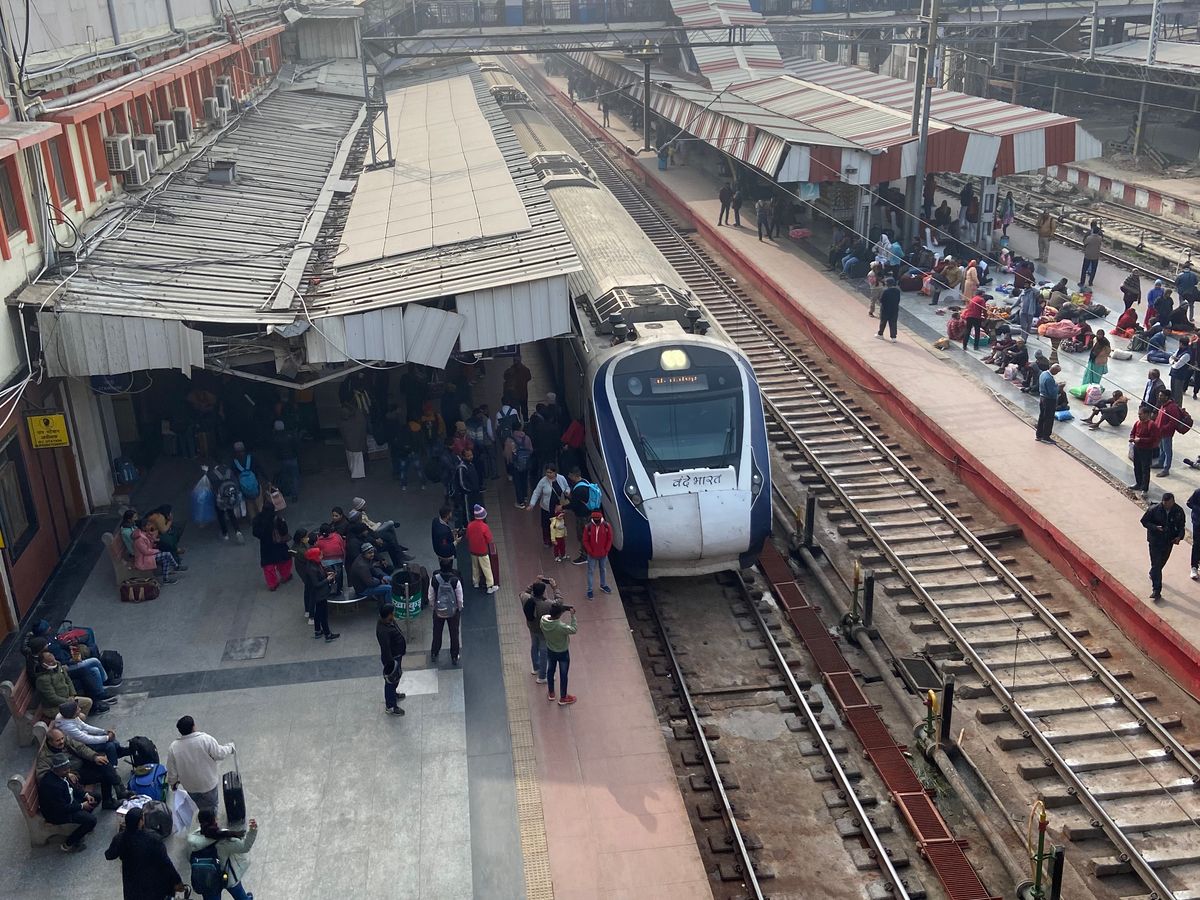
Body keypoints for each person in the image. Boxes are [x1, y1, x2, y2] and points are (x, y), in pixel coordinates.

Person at [37, 726, 127, 809]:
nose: (61, 742)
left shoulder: (66, 740)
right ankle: (112, 798)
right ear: (50, 742)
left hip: (83, 764)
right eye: (58, 741)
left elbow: (81, 748)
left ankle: (119, 790)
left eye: (62, 738)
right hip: (75, 775)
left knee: (103, 762)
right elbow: (43, 776)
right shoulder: (44, 757)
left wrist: (94, 757)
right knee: (104, 775)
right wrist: (65, 774)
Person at [105, 806, 183, 900]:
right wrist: (177, 881)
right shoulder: (153, 838)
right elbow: (165, 863)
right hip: (152, 885)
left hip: (131, 886)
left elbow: (109, 855)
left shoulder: (120, 838)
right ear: (140, 822)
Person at [165, 715, 235, 814]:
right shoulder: (205, 739)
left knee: (200, 807)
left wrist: (173, 783)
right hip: (208, 784)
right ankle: (212, 820)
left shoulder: (173, 747)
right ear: (193, 726)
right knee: (212, 806)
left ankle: (204, 818)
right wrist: (230, 748)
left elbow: (171, 770)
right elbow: (219, 754)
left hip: (190, 787)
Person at [187, 811, 259, 900]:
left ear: (199, 821)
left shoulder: (193, 840)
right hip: (228, 876)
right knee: (239, 895)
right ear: (215, 819)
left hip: (209, 879)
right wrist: (253, 831)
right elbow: (245, 847)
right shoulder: (223, 839)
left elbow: (189, 857)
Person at [38, 752, 98, 852]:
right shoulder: (53, 786)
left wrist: (86, 795)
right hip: (57, 814)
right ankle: (68, 844)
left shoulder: (60, 776)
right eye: (65, 770)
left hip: (67, 801)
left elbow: (71, 789)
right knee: (92, 820)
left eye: (68, 768)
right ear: (55, 770)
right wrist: (81, 806)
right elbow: (62, 809)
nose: (68, 771)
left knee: (96, 797)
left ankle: (83, 825)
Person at [54, 700, 129, 764]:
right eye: (77, 709)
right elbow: (86, 739)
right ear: (72, 713)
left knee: (114, 742)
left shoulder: (70, 717)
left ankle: (118, 753)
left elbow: (85, 726)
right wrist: (107, 738)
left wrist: (104, 731)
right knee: (110, 745)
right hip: (81, 744)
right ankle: (113, 765)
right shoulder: (68, 727)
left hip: (84, 737)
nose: (80, 709)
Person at [1142, 493, 1186, 602]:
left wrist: (1179, 537)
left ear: (1173, 501)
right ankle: (1156, 590)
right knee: (1156, 564)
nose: (1167, 505)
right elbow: (1144, 521)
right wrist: (1155, 527)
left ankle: (1153, 573)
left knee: (1161, 562)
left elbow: (1181, 526)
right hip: (1155, 541)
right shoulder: (1154, 509)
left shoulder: (1178, 511)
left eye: (1169, 503)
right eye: (1165, 503)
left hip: (1168, 541)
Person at [35, 650, 100, 717]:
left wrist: (72, 694)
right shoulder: (42, 679)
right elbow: (52, 698)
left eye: (53, 659)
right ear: (44, 665)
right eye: (50, 662)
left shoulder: (58, 666)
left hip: (68, 698)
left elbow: (68, 680)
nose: (54, 663)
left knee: (88, 702)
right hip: (54, 707)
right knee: (81, 716)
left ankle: (77, 721)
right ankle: (76, 720)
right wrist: (67, 701)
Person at [541, 602, 578, 706]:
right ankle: (563, 697)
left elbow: (550, 615)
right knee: (563, 674)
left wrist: (562, 608)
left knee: (550, 671)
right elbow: (574, 629)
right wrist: (573, 616)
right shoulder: (561, 627)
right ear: (559, 615)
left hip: (550, 649)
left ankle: (551, 693)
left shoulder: (543, 620)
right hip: (562, 652)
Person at [521, 578, 557, 683]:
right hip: (542, 631)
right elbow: (559, 603)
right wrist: (555, 588)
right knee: (544, 651)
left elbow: (524, 592)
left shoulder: (525, 598)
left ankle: (535, 667)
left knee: (534, 646)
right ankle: (542, 676)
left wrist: (534, 583)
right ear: (543, 592)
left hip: (532, 628)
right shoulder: (547, 604)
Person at [430, 557, 464, 665]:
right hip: (453, 612)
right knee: (454, 634)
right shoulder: (455, 580)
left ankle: (434, 652)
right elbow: (460, 598)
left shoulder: (434, 579)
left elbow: (431, 596)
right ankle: (454, 656)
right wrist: (459, 608)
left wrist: (434, 607)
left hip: (438, 610)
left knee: (437, 632)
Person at [301, 548, 339, 642]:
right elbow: (316, 584)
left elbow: (319, 575)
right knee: (323, 614)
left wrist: (326, 574)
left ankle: (317, 630)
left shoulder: (314, 564)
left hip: (319, 594)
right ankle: (327, 634)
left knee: (318, 612)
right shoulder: (312, 569)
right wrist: (327, 579)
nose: (322, 556)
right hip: (319, 595)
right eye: (320, 554)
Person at [376, 604, 408, 716]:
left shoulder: (389, 622)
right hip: (392, 659)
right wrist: (391, 664)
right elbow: (385, 648)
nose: (394, 614)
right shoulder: (383, 631)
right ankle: (390, 706)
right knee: (390, 681)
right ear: (388, 615)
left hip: (397, 655)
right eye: (392, 612)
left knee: (396, 679)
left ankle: (393, 695)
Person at [529, 463, 570, 547]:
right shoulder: (543, 481)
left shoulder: (561, 478)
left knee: (558, 524)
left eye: (550, 472)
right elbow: (536, 492)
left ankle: (556, 539)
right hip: (546, 507)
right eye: (547, 472)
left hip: (558, 507)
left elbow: (567, 487)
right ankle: (547, 540)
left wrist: (567, 492)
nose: (548, 474)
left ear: (555, 472)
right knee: (545, 525)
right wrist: (532, 504)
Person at [251, 507, 291, 591]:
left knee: (268, 566)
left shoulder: (258, 519)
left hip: (265, 546)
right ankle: (285, 576)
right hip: (278, 544)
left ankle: (272, 584)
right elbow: (284, 531)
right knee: (284, 560)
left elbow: (255, 532)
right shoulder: (277, 518)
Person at [207, 462, 245, 543]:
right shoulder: (228, 471)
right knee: (231, 514)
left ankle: (225, 534)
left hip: (219, 498)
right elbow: (236, 483)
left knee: (221, 516)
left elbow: (210, 486)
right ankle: (238, 532)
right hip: (229, 498)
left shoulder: (212, 473)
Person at [465, 505, 499, 594]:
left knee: (475, 567)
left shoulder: (470, 525)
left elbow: (467, 536)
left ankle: (476, 582)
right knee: (486, 568)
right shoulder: (484, 527)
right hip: (482, 551)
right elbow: (489, 539)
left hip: (473, 550)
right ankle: (490, 586)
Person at [1129, 404, 1161, 494]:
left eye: (1141, 414)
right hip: (1137, 448)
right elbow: (1132, 432)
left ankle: (1144, 488)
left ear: (1147, 414)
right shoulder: (1137, 423)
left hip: (1146, 450)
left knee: (1145, 469)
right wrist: (1132, 438)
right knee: (1137, 467)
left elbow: (1153, 439)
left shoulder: (1152, 425)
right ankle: (1138, 483)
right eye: (1138, 414)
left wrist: (1140, 440)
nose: (1139, 416)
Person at [582, 510, 613, 600]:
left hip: (602, 554)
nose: (596, 520)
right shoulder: (588, 527)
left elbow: (610, 538)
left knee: (601, 570)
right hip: (593, 554)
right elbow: (585, 540)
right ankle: (590, 589)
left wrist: (606, 549)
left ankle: (602, 585)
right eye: (595, 519)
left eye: (597, 519)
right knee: (592, 571)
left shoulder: (606, 526)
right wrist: (590, 551)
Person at [1154, 388, 1182, 478]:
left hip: (1167, 433)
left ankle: (1166, 469)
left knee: (1167, 451)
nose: (1159, 397)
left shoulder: (1172, 407)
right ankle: (1160, 463)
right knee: (1162, 449)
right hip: (1160, 432)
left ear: (1166, 397)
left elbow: (1173, 421)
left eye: (1161, 396)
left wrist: (1163, 428)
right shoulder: (1163, 405)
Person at [505, 422, 535, 506]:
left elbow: (507, 455)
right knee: (524, 479)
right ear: (520, 428)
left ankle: (520, 502)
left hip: (515, 464)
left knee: (517, 482)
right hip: (525, 462)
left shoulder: (509, 440)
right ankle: (525, 496)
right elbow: (531, 450)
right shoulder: (526, 438)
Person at [270, 420, 300, 502]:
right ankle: (295, 495)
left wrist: (277, 458)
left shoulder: (275, 438)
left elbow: (275, 451)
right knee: (295, 477)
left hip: (283, 460)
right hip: (293, 458)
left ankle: (287, 492)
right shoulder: (290, 435)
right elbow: (296, 445)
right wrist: (296, 454)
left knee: (286, 477)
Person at [315, 523, 346, 595]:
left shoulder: (319, 541)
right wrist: (343, 559)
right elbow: (342, 547)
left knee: (330, 576)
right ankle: (339, 589)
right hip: (338, 560)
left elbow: (318, 551)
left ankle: (331, 589)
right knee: (339, 575)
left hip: (325, 562)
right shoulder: (337, 537)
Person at [1035, 359, 1059, 444]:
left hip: (1042, 397)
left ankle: (1039, 435)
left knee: (1042, 416)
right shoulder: (1049, 379)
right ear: (1054, 370)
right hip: (1049, 400)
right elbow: (1052, 392)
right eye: (1057, 372)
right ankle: (1046, 436)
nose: (1057, 374)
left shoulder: (1043, 374)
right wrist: (1058, 387)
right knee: (1049, 418)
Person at [1169, 337, 1195, 405]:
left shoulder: (1187, 354)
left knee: (1177, 394)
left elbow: (1177, 366)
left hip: (1179, 376)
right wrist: (1173, 361)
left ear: (1181, 343)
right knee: (1173, 391)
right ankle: (1172, 406)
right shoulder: (1179, 350)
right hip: (1173, 374)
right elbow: (1171, 357)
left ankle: (1178, 407)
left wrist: (1173, 362)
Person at [875, 276, 901, 342]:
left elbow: (882, 300)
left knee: (883, 322)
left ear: (887, 284)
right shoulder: (897, 291)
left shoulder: (885, 291)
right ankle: (893, 337)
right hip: (894, 309)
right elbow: (898, 300)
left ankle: (880, 334)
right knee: (893, 323)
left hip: (885, 310)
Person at [1187, 487, 1200, 579]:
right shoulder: (1198, 492)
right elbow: (1189, 503)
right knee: (1197, 544)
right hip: (1198, 522)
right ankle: (1194, 566)